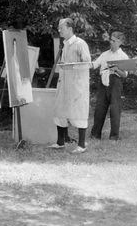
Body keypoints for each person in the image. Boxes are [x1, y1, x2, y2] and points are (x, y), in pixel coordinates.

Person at [50, 17, 91, 153]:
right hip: (64, 83)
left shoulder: (80, 44)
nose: (59, 30)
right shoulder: (65, 44)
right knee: (59, 110)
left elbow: (87, 64)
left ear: (70, 28)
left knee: (79, 112)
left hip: (77, 84)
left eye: (61, 27)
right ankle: (60, 142)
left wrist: (71, 67)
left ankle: (81, 145)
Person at [91, 31, 130, 141]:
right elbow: (94, 65)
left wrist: (117, 69)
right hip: (103, 82)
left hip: (115, 83)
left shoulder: (123, 56)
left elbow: (124, 75)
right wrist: (83, 63)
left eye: (113, 41)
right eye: (111, 40)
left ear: (120, 42)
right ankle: (95, 135)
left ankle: (114, 137)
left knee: (115, 110)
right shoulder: (105, 54)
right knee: (99, 109)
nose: (111, 42)